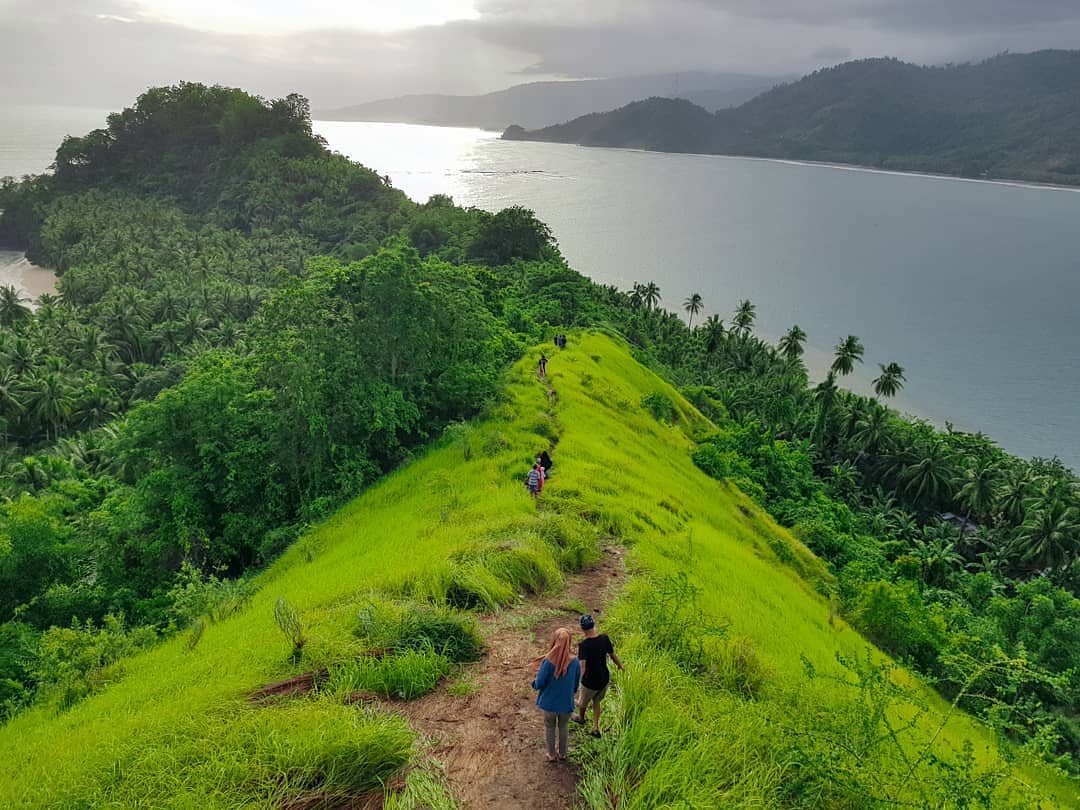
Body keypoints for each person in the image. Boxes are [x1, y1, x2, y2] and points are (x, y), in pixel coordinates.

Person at [532, 627, 581, 762]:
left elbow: (540, 682)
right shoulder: (575, 661)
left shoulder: (548, 661)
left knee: (549, 727)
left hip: (549, 704)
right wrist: (571, 693)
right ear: (569, 641)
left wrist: (534, 684)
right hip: (566, 704)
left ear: (554, 640)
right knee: (563, 727)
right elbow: (576, 683)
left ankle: (551, 754)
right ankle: (563, 754)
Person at [573, 614, 623, 737]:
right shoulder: (604, 638)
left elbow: (583, 666)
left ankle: (581, 717)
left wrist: (578, 681)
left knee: (582, 703)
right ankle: (595, 727)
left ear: (582, 628)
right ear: (593, 625)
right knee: (596, 701)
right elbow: (612, 655)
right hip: (604, 678)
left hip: (590, 681)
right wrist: (620, 666)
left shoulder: (584, 645)